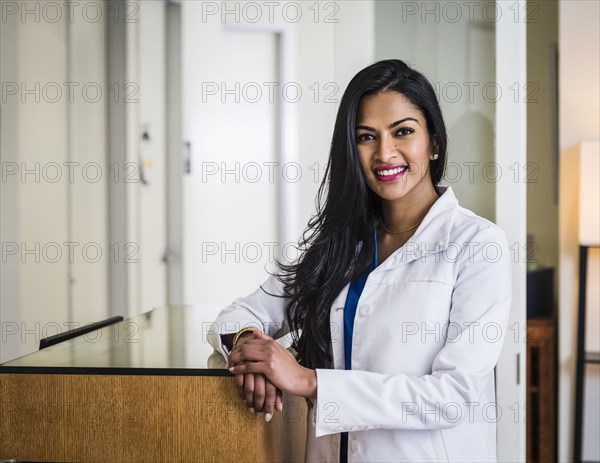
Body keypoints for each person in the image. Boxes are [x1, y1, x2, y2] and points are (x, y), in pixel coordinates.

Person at [207, 59, 512, 462]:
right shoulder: (337, 246)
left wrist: (309, 381)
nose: (385, 153)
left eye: (403, 131)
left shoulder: (477, 244)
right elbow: (232, 317)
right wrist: (250, 348)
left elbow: (452, 397)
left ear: (433, 141)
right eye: (366, 137)